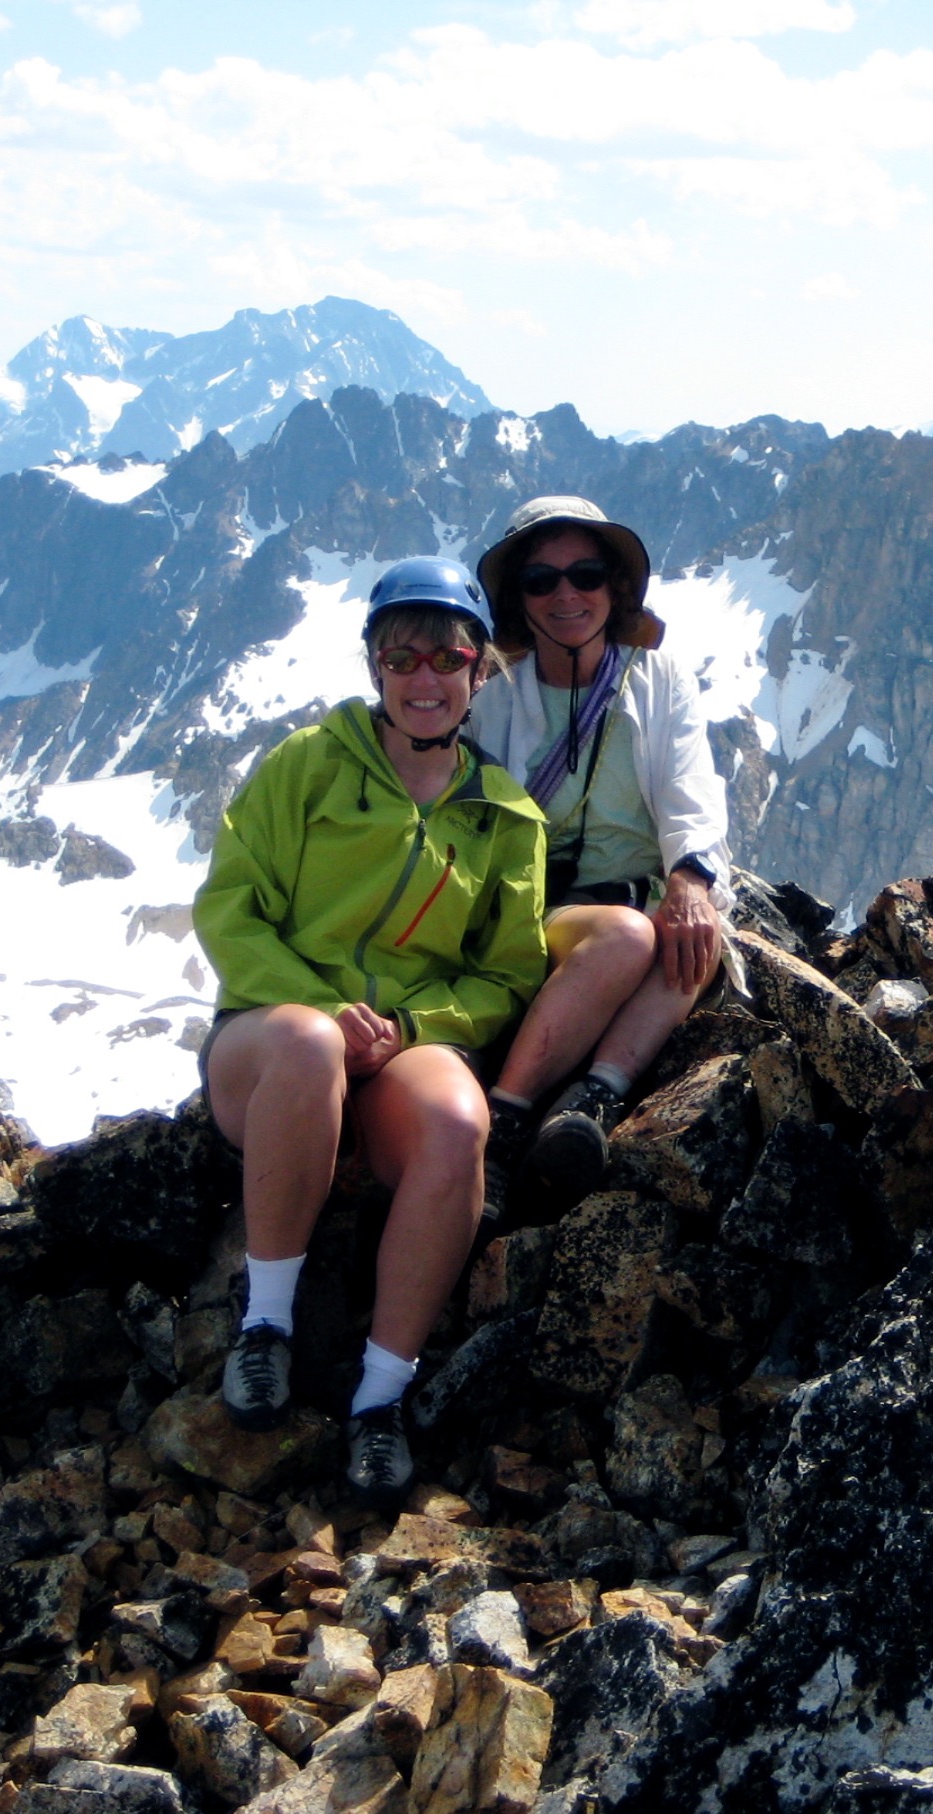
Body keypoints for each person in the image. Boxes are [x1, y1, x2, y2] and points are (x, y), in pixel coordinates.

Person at [192, 556, 547, 1509]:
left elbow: (507, 974)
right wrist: (317, 1006)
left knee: (460, 1126)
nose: (425, 680)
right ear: (375, 668)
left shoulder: (505, 820)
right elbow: (230, 911)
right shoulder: (308, 765)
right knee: (309, 1047)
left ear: (480, 674)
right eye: (403, 658)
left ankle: (379, 1400)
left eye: (449, 658)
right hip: (270, 1046)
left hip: (394, 1052)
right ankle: (265, 1328)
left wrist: (408, 1028)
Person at [470, 496, 734, 1216]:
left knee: (696, 932)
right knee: (630, 938)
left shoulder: (659, 680)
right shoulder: (491, 708)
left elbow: (691, 787)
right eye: (541, 581)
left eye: (585, 575)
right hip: (544, 914)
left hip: (643, 894)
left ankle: (593, 1100)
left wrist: (691, 880)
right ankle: (506, 1122)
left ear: (614, 588)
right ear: (517, 601)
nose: (566, 595)